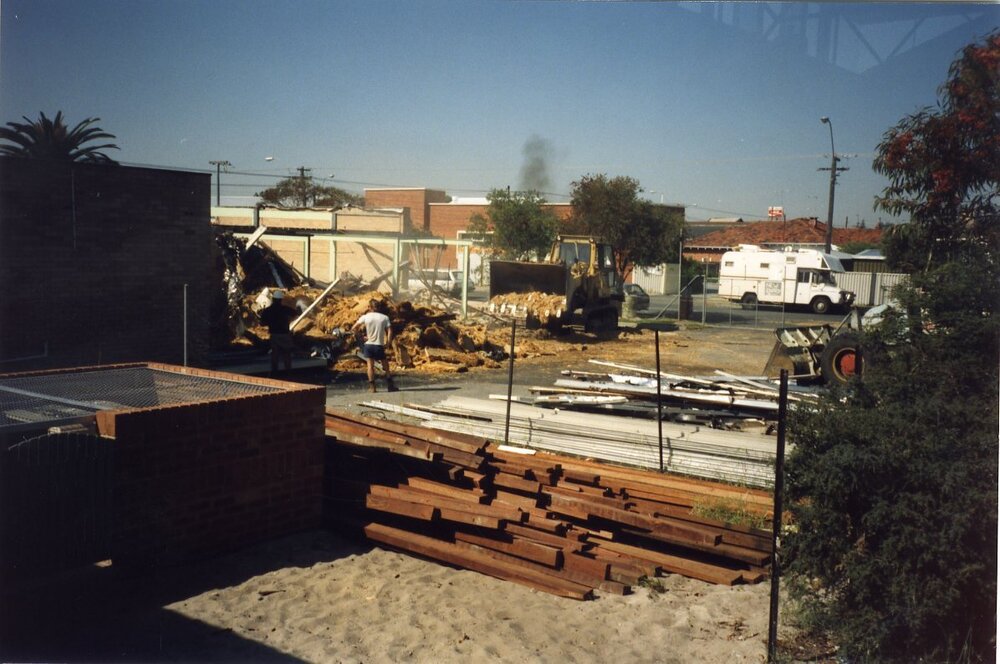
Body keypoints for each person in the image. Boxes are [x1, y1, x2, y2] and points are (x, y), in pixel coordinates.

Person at [351, 298, 397, 392]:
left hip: (369, 345)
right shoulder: (384, 317)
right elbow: (390, 330)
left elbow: (354, 328)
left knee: (370, 366)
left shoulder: (366, 317)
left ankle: (372, 387)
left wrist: (362, 336)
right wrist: (388, 342)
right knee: (385, 365)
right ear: (378, 307)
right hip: (379, 345)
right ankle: (390, 385)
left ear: (369, 307)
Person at [260, 289, 296, 375]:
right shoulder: (285, 309)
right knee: (287, 353)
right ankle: (288, 372)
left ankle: (274, 372)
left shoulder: (268, 311)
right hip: (285, 334)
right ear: (281, 300)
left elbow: (262, 323)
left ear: (273, 299)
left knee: (275, 354)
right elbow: (295, 313)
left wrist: (269, 321)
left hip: (274, 334)